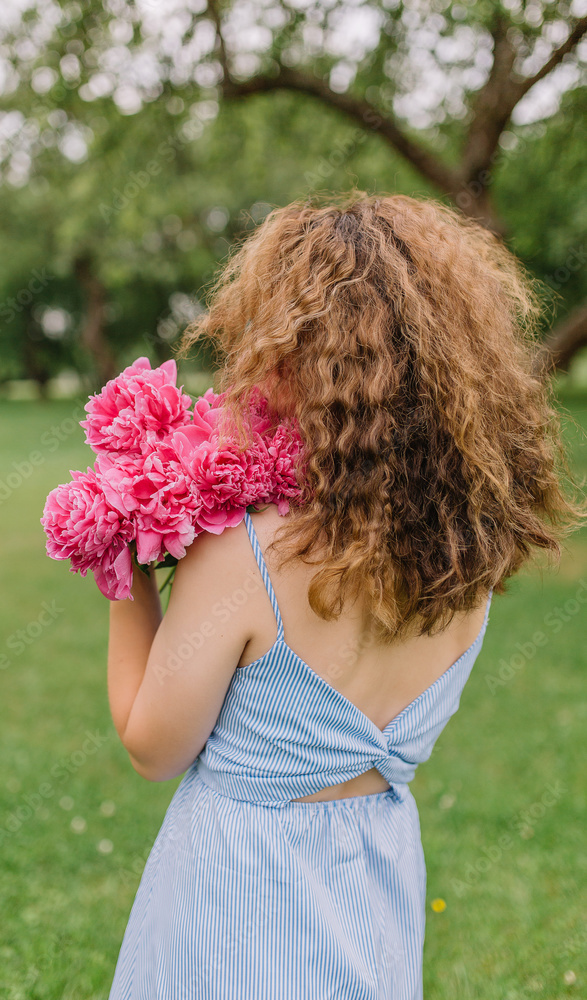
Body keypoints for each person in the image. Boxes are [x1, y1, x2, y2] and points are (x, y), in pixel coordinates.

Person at [104, 191, 586, 999]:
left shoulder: (247, 553)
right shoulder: (465, 554)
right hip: (375, 878)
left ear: (306, 359)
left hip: (237, 897)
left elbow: (152, 749)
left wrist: (123, 566)